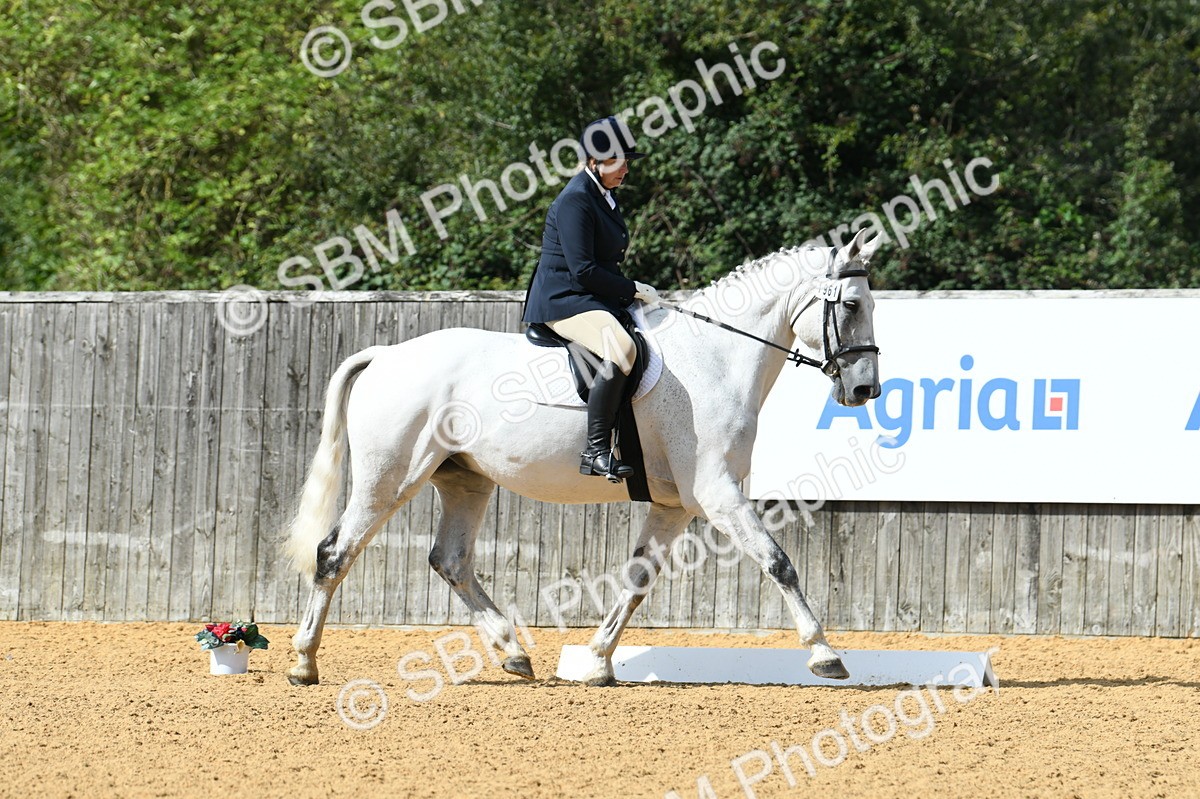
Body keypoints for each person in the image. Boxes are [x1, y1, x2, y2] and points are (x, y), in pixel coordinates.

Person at [522, 116, 661, 481]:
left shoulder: (605, 197)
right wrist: (630, 288)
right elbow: (582, 269)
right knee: (621, 347)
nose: (626, 169)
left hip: (591, 294)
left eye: (627, 161)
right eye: (618, 161)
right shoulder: (576, 200)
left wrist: (630, 290)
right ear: (594, 162)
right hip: (564, 298)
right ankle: (596, 450)